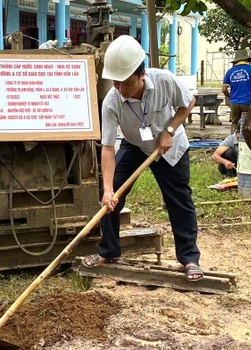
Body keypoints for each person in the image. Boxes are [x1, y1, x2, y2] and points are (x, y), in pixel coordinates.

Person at [83, 35, 203, 281]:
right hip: (135, 144)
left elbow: (188, 102)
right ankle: (108, 250)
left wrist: (169, 131)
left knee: (179, 200)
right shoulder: (111, 102)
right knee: (111, 195)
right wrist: (107, 190)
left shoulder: (164, 80)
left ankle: (190, 258)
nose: (121, 89)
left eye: (126, 84)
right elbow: (107, 147)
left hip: (169, 146)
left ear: (142, 74)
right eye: (116, 83)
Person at [222, 49, 251, 132]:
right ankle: (246, 142)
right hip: (247, 101)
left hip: (234, 102)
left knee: (235, 123)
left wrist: (230, 96)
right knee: (248, 123)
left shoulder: (230, 71)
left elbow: (224, 89)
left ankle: (234, 141)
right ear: (246, 59)